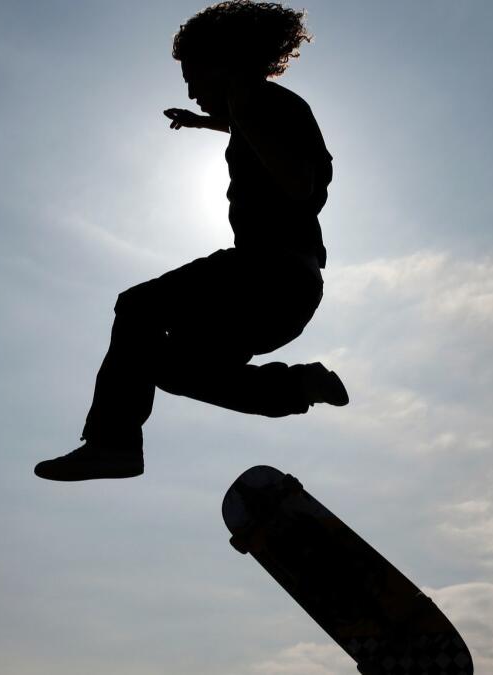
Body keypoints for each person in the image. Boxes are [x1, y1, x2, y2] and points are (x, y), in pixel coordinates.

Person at [35, 1, 347, 481]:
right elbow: (256, 131)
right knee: (169, 365)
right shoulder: (264, 110)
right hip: (289, 293)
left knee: (138, 308)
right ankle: (297, 387)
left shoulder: (263, 105)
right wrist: (208, 122)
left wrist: (238, 109)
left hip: (269, 274)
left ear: (226, 64)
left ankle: (112, 444)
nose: (191, 90)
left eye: (193, 77)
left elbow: (301, 183)